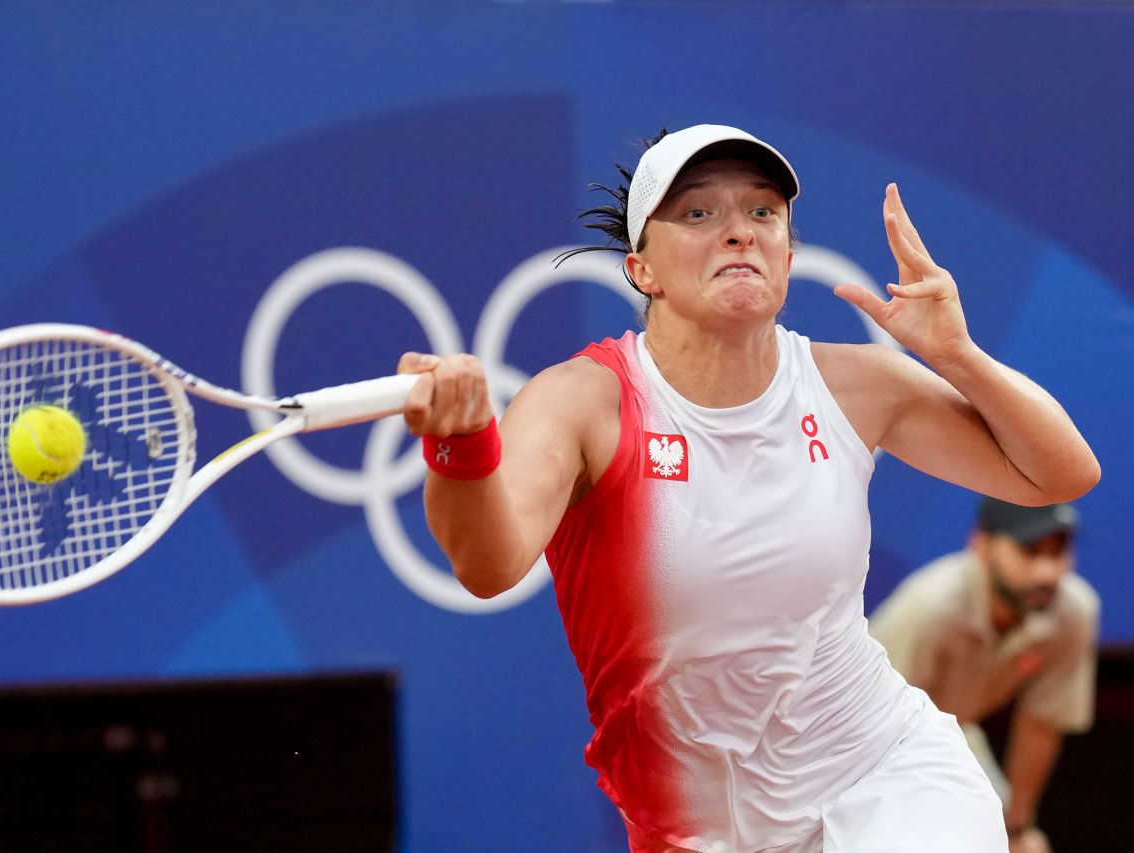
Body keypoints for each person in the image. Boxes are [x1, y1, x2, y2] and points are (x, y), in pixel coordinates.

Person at [397, 124, 1100, 852]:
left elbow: (1060, 472)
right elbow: (488, 565)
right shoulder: (583, 401)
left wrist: (958, 355)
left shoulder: (854, 385)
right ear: (642, 269)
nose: (739, 232)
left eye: (762, 212)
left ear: (788, 256)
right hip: (696, 826)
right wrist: (461, 445)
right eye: (699, 214)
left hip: (883, 772)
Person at [869, 498, 1099, 853]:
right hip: (859, 744)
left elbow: (1041, 722)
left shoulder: (1073, 611)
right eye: (1029, 550)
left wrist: (1018, 826)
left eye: (1058, 552)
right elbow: (869, 726)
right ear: (981, 545)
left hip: (952, 733)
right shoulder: (931, 607)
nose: (1047, 572)